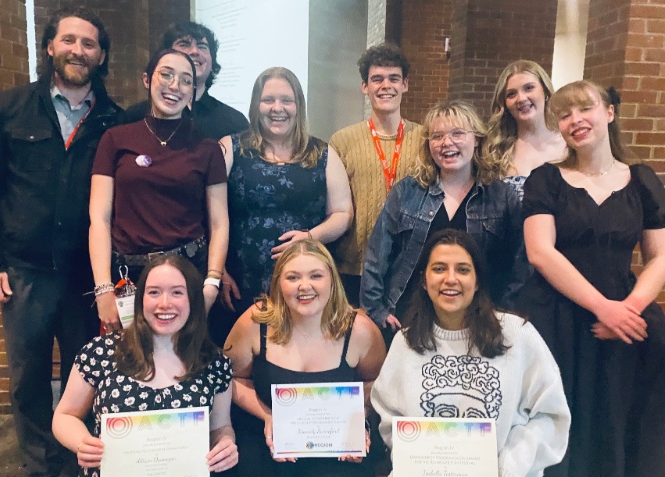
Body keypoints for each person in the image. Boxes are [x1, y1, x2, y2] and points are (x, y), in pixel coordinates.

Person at [0, 8, 122, 477]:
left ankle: (85, 461)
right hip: (25, 271)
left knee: (90, 371)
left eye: (89, 44)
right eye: (69, 40)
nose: (79, 50)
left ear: (101, 56)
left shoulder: (113, 120)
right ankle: (42, 472)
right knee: (30, 375)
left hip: (86, 276)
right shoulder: (10, 108)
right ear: (50, 46)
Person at [519, 81, 665, 477]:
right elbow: (540, 252)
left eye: (584, 109)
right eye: (564, 115)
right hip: (560, 314)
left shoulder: (640, 179)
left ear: (609, 112)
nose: (575, 121)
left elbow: (659, 257)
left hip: (626, 312)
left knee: (622, 411)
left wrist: (629, 310)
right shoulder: (546, 179)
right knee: (566, 417)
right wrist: (602, 307)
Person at [371, 229, 570, 477]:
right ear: (424, 282)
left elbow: (549, 417)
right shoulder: (406, 343)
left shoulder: (517, 336)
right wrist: (407, 471)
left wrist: (506, 473)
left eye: (463, 270)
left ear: (477, 282)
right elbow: (393, 423)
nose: (450, 279)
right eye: (439, 268)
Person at [52, 254, 238, 477]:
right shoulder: (103, 352)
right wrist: (81, 442)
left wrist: (226, 445)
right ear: (141, 300)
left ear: (193, 300)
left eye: (177, 293)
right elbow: (64, 416)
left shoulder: (213, 363)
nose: (164, 303)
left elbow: (221, 427)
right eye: (154, 292)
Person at [223, 239, 386, 477]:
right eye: (293, 277)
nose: (304, 286)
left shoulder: (359, 329)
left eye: (316, 276)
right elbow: (229, 378)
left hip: (336, 446)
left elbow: (376, 383)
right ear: (278, 283)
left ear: (332, 281)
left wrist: (359, 422)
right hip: (268, 439)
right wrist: (267, 415)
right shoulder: (255, 322)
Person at [361, 99, 528, 343]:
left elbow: (519, 262)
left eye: (458, 133)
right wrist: (376, 310)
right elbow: (376, 255)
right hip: (410, 317)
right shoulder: (407, 191)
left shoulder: (501, 196)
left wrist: (505, 313)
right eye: (437, 136)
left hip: (479, 320)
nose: (446, 143)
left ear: (477, 139)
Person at [89, 49, 229, 332]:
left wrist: (212, 282)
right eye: (166, 74)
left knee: (184, 364)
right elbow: (100, 219)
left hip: (188, 273)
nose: (174, 86)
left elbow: (219, 222)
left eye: (186, 80)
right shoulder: (116, 139)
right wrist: (103, 289)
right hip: (129, 277)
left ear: (193, 91)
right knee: (130, 365)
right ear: (147, 80)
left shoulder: (207, 148)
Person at [218, 67, 353, 316]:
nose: (277, 108)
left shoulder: (323, 154)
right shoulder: (230, 148)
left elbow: (343, 213)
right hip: (240, 281)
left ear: (298, 106)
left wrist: (311, 236)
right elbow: (210, 217)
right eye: (268, 99)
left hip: (306, 286)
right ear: (256, 105)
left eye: (286, 100)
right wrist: (218, 272)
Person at [329, 43, 426, 305]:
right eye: (377, 79)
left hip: (409, 267)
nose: (386, 86)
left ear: (405, 84)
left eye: (394, 78)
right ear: (365, 86)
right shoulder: (342, 141)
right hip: (353, 268)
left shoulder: (425, 139)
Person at [123, 21, 248, 139]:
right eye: (184, 44)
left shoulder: (234, 122)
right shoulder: (135, 116)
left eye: (202, 46)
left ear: (212, 62)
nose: (195, 51)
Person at [483, 60, 567, 200]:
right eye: (511, 94)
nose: (521, 98)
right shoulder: (494, 149)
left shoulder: (569, 146)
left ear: (545, 90)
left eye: (529, 88)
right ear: (504, 103)